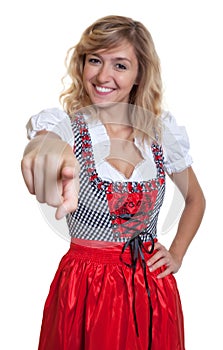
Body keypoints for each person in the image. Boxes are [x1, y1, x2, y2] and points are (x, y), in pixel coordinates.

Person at [21, 15, 205, 350]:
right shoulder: (67, 128)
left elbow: (195, 199)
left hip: (152, 289)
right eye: (95, 61)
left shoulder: (160, 133)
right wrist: (45, 148)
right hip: (86, 285)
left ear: (139, 74)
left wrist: (176, 254)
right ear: (82, 65)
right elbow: (44, 142)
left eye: (120, 65)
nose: (103, 76)